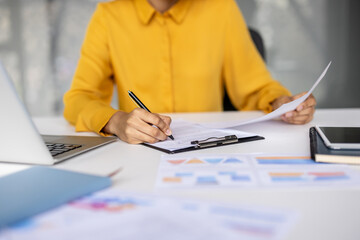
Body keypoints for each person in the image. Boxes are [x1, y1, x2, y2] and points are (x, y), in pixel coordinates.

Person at [64, 0, 316, 144]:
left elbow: (258, 86)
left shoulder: (221, 9)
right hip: (141, 153)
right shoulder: (109, 17)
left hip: (211, 149)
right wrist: (116, 121)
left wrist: (282, 103)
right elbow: (79, 99)